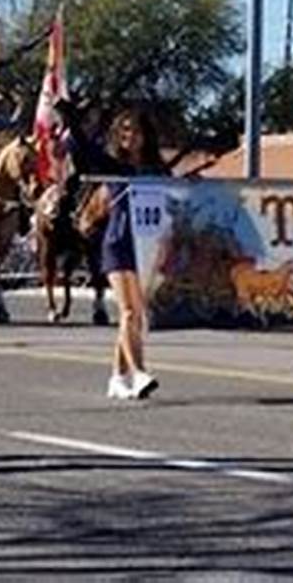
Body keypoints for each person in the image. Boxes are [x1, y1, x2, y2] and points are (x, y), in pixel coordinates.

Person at [96, 108, 170, 400]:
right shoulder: (113, 165)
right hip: (118, 242)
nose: (130, 136)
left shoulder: (158, 169)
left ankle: (117, 376)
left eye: (136, 130)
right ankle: (139, 373)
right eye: (124, 130)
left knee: (136, 315)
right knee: (128, 311)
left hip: (147, 245)